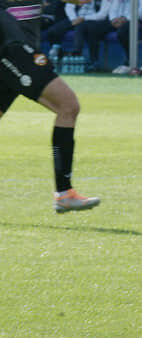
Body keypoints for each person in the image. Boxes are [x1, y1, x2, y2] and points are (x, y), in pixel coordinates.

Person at [1, 8, 100, 212]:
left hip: (15, 47)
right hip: (12, 49)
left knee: (67, 107)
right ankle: (64, 193)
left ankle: (64, 194)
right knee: (68, 105)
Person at [106, 0, 142, 73]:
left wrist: (126, 19)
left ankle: (129, 62)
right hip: (119, 20)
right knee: (96, 28)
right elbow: (113, 8)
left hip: (138, 20)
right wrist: (113, 19)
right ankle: (92, 62)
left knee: (122, 32)